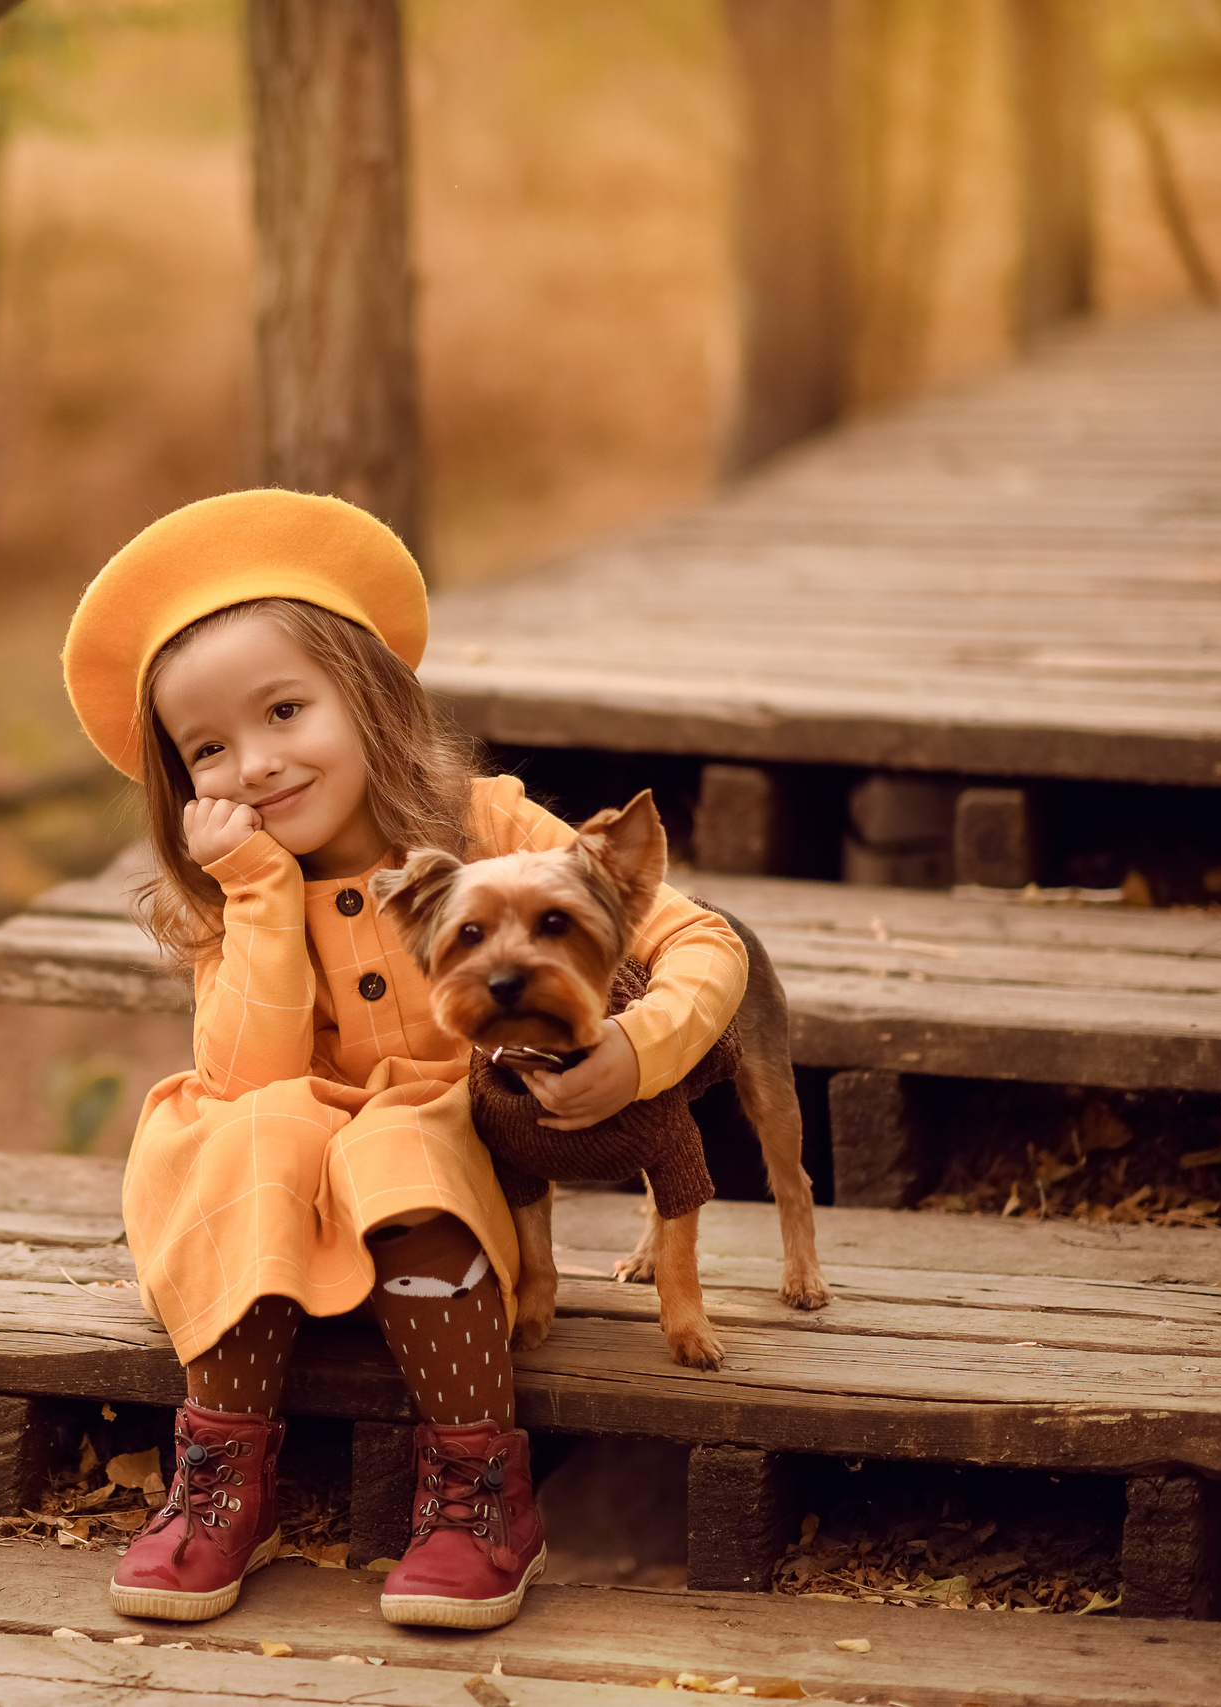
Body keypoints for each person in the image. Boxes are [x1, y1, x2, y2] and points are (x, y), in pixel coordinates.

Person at [58, 489, 750, 1630]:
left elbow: (700, 940)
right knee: (255, 1122)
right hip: (274, 1205)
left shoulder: (489, 827)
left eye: (285, 709)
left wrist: (633, 1050)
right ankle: (222, 1481)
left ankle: (478, 1487)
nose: (259, 764)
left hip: (432, 1199)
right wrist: (260, 898)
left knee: (406, 1132)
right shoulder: (238, 897)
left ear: (371, 696)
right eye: (209, 750)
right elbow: (249, 1072)